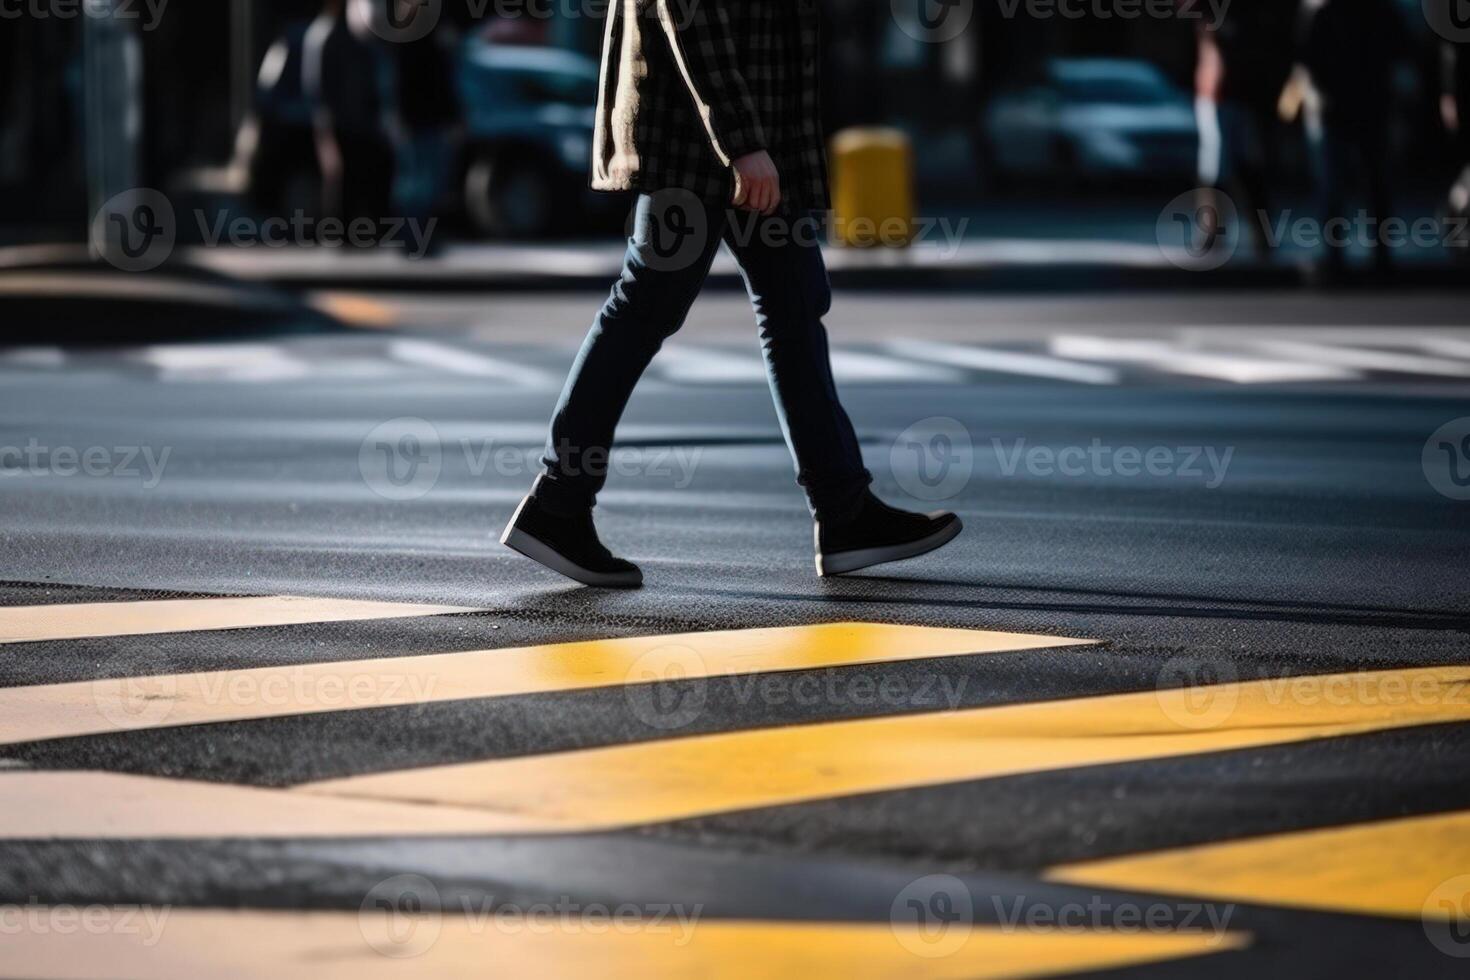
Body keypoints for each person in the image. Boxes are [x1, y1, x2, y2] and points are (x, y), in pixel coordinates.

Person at [500, 0, 961, 589]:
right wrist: (740, 141)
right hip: (701, 146)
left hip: (753, 144)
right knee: (647, 304)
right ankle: (558, 502)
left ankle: (846, 515)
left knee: (794, 304)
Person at [1298, 0, 1409, 276]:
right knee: (1361, 186)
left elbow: (1306, 61)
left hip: (1351, 109)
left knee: (1352, 187)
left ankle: (1354, 256)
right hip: (1356, 108)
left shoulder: (1327, 12)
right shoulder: (1376, 12)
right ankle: (1367, 256)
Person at [1188, 0, 1303, 256]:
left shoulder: (1255, 13)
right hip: (1217, 94)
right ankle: (1214, 230)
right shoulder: (1212, 11)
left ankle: (1260, 233)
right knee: (1216, 165)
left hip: (1247, 97)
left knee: (1250, 165)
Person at [302, 0, 397, 237]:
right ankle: (339, 231)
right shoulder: (327, 35)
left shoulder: (359, 36)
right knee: (341, 177)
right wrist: (326, 121)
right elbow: (319, 85)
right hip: (340, 121)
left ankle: (365, 231)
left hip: (362, 121)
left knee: (364, 175)